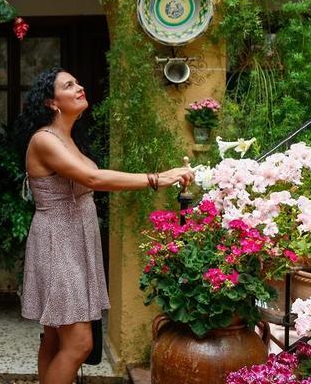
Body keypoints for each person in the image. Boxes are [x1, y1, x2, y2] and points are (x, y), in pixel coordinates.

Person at [15, 68, 193, 384]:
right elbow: (93, 179)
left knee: (56, 338)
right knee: (80, 342)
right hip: (58, 242)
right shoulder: (44, 140)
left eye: (78, 81)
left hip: (75, 241)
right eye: (69, 85)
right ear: (51, 102)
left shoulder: (68, 139)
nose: (79, 87)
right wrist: (155, 179)